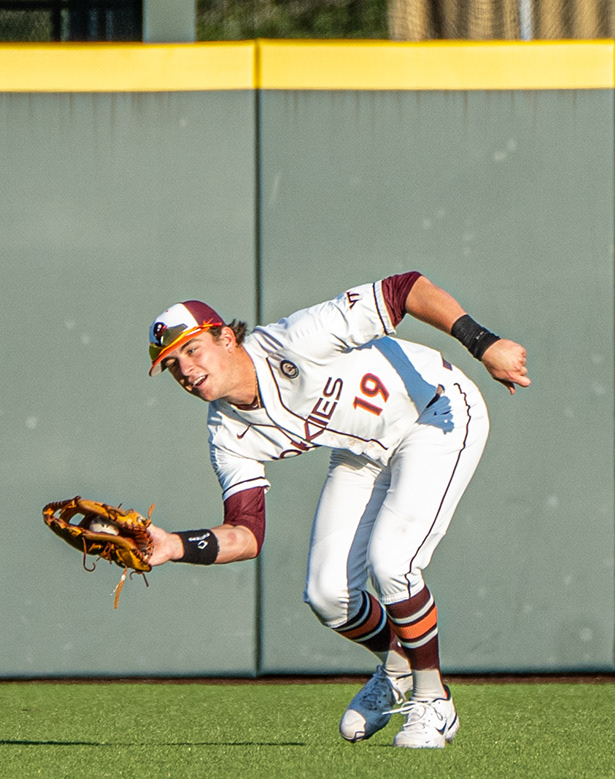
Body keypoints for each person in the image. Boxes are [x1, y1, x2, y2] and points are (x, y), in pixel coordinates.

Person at [144, 273, 529, 748]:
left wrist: (482, 342)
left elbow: (405, 288)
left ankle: (433, 699)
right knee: (328, 597)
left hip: (435, 409)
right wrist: (172, 546)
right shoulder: (226, 432)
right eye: (172, 363)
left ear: (225, 337)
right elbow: (245, 534)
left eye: (192, 349)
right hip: (362, 448)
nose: (185, 369)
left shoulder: (297, 338)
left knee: (393, 563)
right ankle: (396, 664)